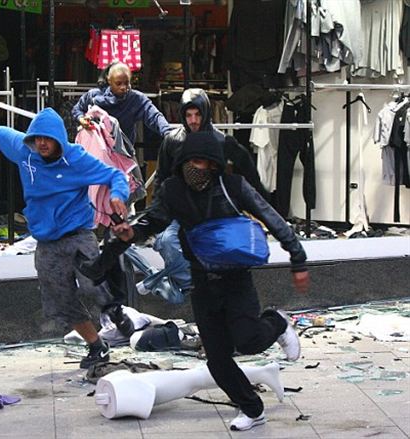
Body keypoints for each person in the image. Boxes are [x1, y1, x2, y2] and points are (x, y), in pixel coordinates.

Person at [110, 131, 310, 431]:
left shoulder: (233, 186)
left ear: (214, 164)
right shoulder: (173, 190)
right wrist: (132, 233)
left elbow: (272, 217)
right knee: (217, 360)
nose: (194, 166)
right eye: (189, 160)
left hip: (235, 279)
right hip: (201, 282)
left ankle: (277, 322)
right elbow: (155, 219)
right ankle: (253, 410)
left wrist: (298, 258)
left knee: (249, 340)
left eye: (201, 160)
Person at [0, 108, 130, 369]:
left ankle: (115, 310)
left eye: (47, 139)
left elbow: (115, 175)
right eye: (37, 139)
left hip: (78, 235)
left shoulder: (77, 159)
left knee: (93, 283)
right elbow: (0, 134)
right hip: (46, 243)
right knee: (62, 301)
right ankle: (96, 346)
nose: (42, 144)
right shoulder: (26, 151)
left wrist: (117, 194)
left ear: (59, 138)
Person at [145, 88, 270, 298]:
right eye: (188, 115)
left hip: (216, 210)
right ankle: (191, 285)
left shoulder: (221, 140)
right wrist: (158, 214)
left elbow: (247, 168)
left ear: (205, 114)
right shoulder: (173, 141)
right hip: (183, 209)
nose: (193, 120)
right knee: (167, 242)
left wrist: (260, 203)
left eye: (197, 114)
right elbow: (162, 178)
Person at [71, 62, 171, 148]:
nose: (123, 87)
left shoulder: (136, 99)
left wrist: (168, 133)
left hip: (123, 152)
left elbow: (154, 116)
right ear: (109, 81)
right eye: (118, 83)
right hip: (97, 151)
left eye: (126, 83)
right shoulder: (93, 95)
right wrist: (81, 119)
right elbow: (77, 109)